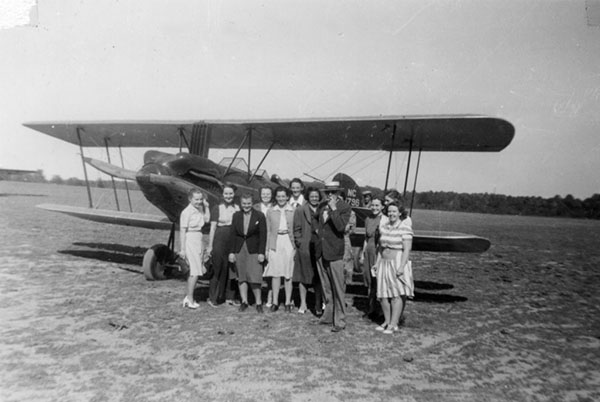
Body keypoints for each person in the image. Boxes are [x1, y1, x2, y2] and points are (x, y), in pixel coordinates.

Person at [373, 201, 414, 335]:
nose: (391, 214)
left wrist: (401, 267)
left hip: (397, 262)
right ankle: (386, 320)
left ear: (400, 213)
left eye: (394, 211)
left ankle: (393, 323)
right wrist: (377, 263)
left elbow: (407, 250)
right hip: (384, 262)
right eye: (389, 211)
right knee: (383, 294)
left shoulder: (405, 228)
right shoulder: (383, 227)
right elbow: (380, 248)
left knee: (396, 294)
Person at [316, 181, 352, 332]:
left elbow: (340, 227)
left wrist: (334, 209)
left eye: (333, 192)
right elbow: (316, 223)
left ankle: (340, 321)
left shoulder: (344, 207)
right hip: (321, 251)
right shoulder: (321, 205)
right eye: (327, 192)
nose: (330, 194)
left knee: (338, 288)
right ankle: (328, 316)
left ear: (338, 193)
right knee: (326, 288)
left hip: (335, 253)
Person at [229, 193, 267, 313]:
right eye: (244, 204)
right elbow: (232, 234)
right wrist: (231, 252)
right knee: (242, 276)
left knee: (255, 276)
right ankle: (244, 301)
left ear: (252, 203)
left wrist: (261, 252)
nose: (246, 206)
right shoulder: (236, 215)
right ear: (241, 204)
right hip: (239, 249)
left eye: (249, 203)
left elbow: (263, 236)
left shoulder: (259, 216)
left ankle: (259, 302)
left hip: (253, 249)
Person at [207, 184, 240, 307]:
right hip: (220, 239)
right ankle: (213, 297)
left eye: (231, 193)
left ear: (234, 194)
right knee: (218, 267)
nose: (228, 196)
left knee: (232, 268)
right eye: (226, 193)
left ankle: (229, 297)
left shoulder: (237, 208)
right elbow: (213, 228)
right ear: (222, 194)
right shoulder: (217, 208)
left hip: (233, 239)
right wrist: (210, 245)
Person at [264, 186, 296, 312]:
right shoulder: (271, 211)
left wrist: (295, 248)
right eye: (278, 196)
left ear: (287, 197)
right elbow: (268, 231)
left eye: (283, 196)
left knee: (288, 274)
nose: (281, 198)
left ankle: (288, 302)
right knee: (276, 274)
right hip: (275, 242)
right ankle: (275, 302)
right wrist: (267, 249)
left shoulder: (293, 210)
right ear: (275, 197)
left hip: (288, 241)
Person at [293, 187, 324, 315]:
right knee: (303, 276)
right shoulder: (300, 209)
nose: (314, 198)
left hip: (319, 247)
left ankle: (318, 303)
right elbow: (296, 229)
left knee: (318, 277)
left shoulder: (323, 209)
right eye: (312, 196)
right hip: (305, 247)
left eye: (316, 196)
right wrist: (300, 242)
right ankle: (303, 303)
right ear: (307, 197)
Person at [179, 189, 210, 309]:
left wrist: (206, 207)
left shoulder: (200, 209)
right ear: (190, 199)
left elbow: (206, 220)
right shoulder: (186, 212)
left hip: (198, 238)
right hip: (190, 239)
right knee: (195, 271)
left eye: (200, 199)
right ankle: (189, 298)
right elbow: (182, 230)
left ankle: (189, 297)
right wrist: (182, 249)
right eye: (196, 199)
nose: (198, 201)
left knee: (198, 269)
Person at [359, 196, 384, 318]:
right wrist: (362, 254)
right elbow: (366, 238)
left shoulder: (384, 220)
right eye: (373, 205)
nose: (374, 207)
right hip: (368, 250)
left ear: (382, 207)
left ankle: (380, 308)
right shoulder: (368, 219)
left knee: (377, 280)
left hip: (377, 251)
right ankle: (371, 306)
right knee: (369, 279)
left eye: (377, 205)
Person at [254, 186, 275, 307]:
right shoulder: (255, 207)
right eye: (263, 194)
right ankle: (257, 297)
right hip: (257, 241)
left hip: (271, 239)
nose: (266, 196)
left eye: (268, 194)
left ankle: (270, 297)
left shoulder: (275, 207)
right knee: (258, 269)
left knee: (270, 270)